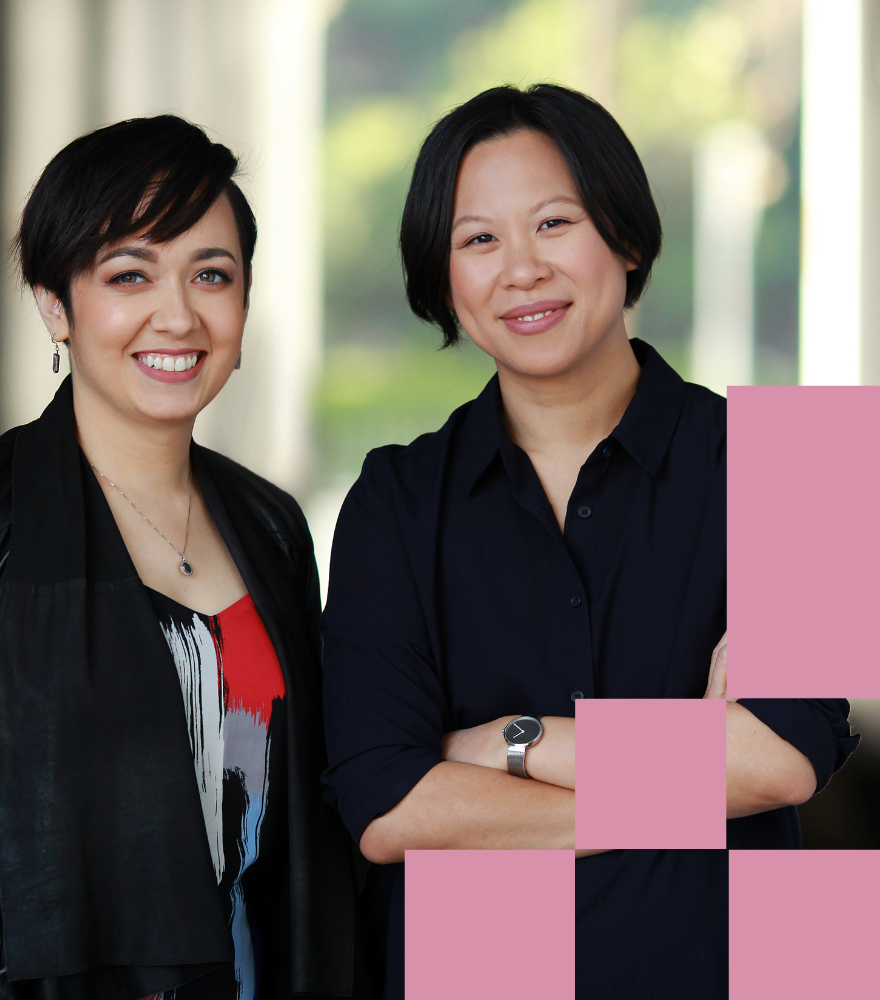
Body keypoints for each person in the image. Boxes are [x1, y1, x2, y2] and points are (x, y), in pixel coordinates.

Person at [319, 84, 858, 999]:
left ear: (628, 236)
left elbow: (784, 759)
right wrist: (694, 767)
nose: (520, 269)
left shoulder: (804, 464)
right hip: (483, 971)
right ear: (442, 278)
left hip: (763, 963)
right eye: (478, 239)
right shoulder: (392, 499)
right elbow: (383, 806)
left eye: (554, 223)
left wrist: (503, 744)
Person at [0, 116, 360, 1000]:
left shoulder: (270, 525)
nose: (176, 314)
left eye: (210, 275)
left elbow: (315, 798)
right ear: (55, 303)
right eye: (129, 274)